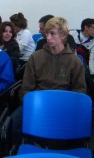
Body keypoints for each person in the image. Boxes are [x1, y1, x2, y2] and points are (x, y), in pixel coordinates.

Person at [11, 17, 87, 145]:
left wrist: (64, 107)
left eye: (52, 33)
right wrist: (33, 105)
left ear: (63, 35)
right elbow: (27, 88)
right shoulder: (35, 57)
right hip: (38, 102)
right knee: (15, 121)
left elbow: (79, 92)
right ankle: (25, 149)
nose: (48, 37)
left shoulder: (74, 61)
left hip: (63, 105)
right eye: (47, 33)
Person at [69, 18, 94, 98]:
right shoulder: (72, 33)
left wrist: (92, 74)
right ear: (86, 27)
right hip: (68, 63)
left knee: (81, 63)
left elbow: (92, 59)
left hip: (83, 67)